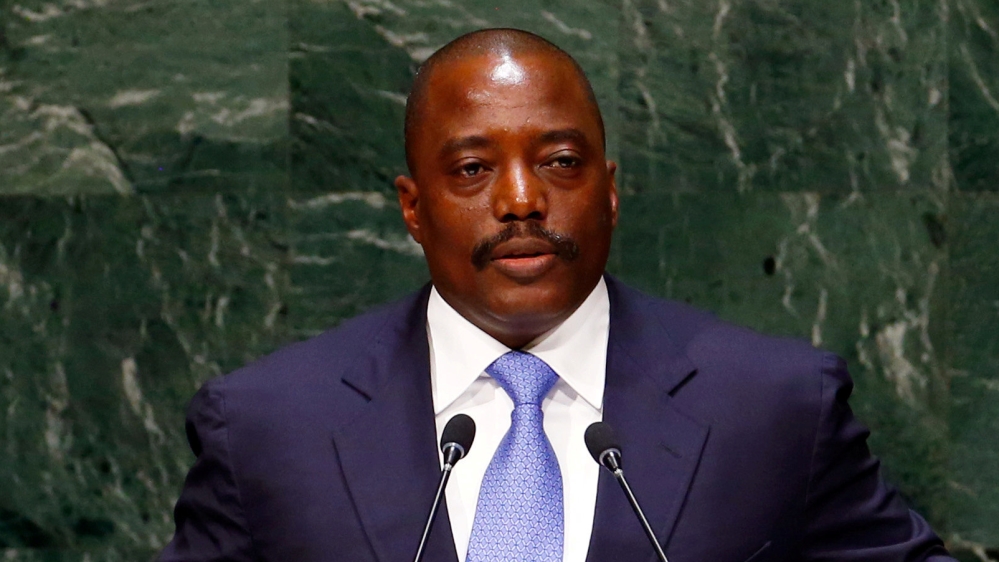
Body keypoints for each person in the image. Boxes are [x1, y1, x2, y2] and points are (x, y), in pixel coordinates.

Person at [159, 28, 955, 562]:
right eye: (472, 169)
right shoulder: (265, 428)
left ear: (609, 192)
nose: (520, 201)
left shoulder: (775, 406)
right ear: (411, 207)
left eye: (561, 162)